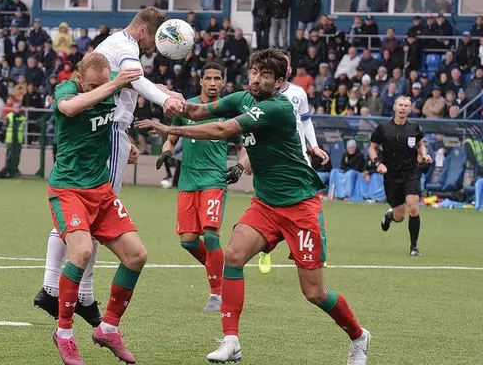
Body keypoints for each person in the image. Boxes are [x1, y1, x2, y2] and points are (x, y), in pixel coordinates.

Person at [136, 48, 370, 365]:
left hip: (300, 207)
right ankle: (231, 340)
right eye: (254, 72)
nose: (257, 79)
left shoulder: (278, 107)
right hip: (266, 205)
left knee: (314, 292)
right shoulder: (241, 98)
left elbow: (223, 129)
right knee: (233, 255)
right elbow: (201, 111)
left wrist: (172, 129)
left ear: (279, 82)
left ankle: (358, 336)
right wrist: (171, 102)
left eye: (266, 75)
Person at [34, 7, 185, 332]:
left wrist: (159, 93)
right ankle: (76, 295)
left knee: (80, 212)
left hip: (106, 129)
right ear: (143, 31)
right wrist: (164, 100)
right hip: (107, 129)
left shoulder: (112, 45)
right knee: (94, 212)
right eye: (153, 41)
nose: (152, 48)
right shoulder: (127, 47)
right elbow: (132, 79)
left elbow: (127, 83)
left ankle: (53, 288)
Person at [48, 52, 144, 365]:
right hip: (68, 189)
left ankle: (108, 329)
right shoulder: (66, 89)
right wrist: (111, 86)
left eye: (102, 84)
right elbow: (70, 108)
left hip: (100, 190)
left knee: (136, 256)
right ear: (80, 79)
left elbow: (137, 90)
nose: (98, 90)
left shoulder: (109, 84)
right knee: (82, 252)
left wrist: (167, 96)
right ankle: (64, 333)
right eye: (92, 86)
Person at [155, 63, 249, 313]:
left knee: (210, 235)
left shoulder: (229, 113)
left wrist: (240, 167)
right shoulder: (187, 108)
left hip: (214, 181)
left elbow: (243, 149)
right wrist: (166, 151)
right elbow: (170, 138)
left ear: (223, 82)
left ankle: (216, 294)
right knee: (188, 242)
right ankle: (218, 268)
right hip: (188, 181)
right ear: (201, 81)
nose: (213, 83)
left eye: (218, 78)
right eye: (208, 78)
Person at [257, 51, 330, 274]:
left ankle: (318, 251)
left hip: (299, 157)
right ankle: (264, 249)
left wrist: (314, 146)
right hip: (272, 159)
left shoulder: (298, 93)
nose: (286, 68)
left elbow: (306, 121)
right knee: (269, 203)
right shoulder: (261, 92)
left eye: (288, 64)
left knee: (312, 202)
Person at [369, 96, 432, 257]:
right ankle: (389, 215)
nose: (403, 108)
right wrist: (378, 164)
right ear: (395, 107)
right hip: (391, 176)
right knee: (400, 216)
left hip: (411, 172)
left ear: (410, 109)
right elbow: (372, 148)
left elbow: (420, 144)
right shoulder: (383, 128)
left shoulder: (413, 127)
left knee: (413, 206)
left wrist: (424, 155)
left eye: (406, 106)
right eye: (400, 105)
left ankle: (414, 247)